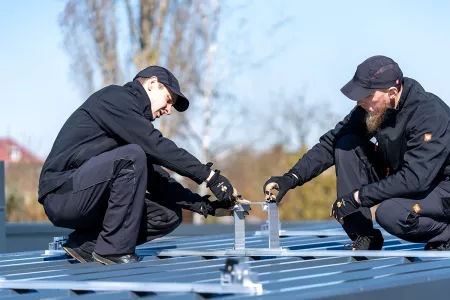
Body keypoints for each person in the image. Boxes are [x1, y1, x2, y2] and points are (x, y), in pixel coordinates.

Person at [38, 66, 242, 265]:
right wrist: (210, 177)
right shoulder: (115, 98)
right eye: (169, 100)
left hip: (90, 195)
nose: (169, 111)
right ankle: (113, 251)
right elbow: (156, 146)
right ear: (153, 84)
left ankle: (86, 245)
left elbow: (158, 179)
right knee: (133, 156)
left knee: (168, 215)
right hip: (62, 194)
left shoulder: (128, 128)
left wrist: (205, 206)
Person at [264, 55, 450, 250]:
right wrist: (291, 177)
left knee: (391, 214)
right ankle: (365, 236)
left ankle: (445, 234)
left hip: (441, 187)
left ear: (392, 92)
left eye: (368, 95)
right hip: (406, 176)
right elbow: (331, 142)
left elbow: (415, 179)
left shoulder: (428, 114)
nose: (360, 102)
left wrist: (358, 197)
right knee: (346, 144)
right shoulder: (373, 109)